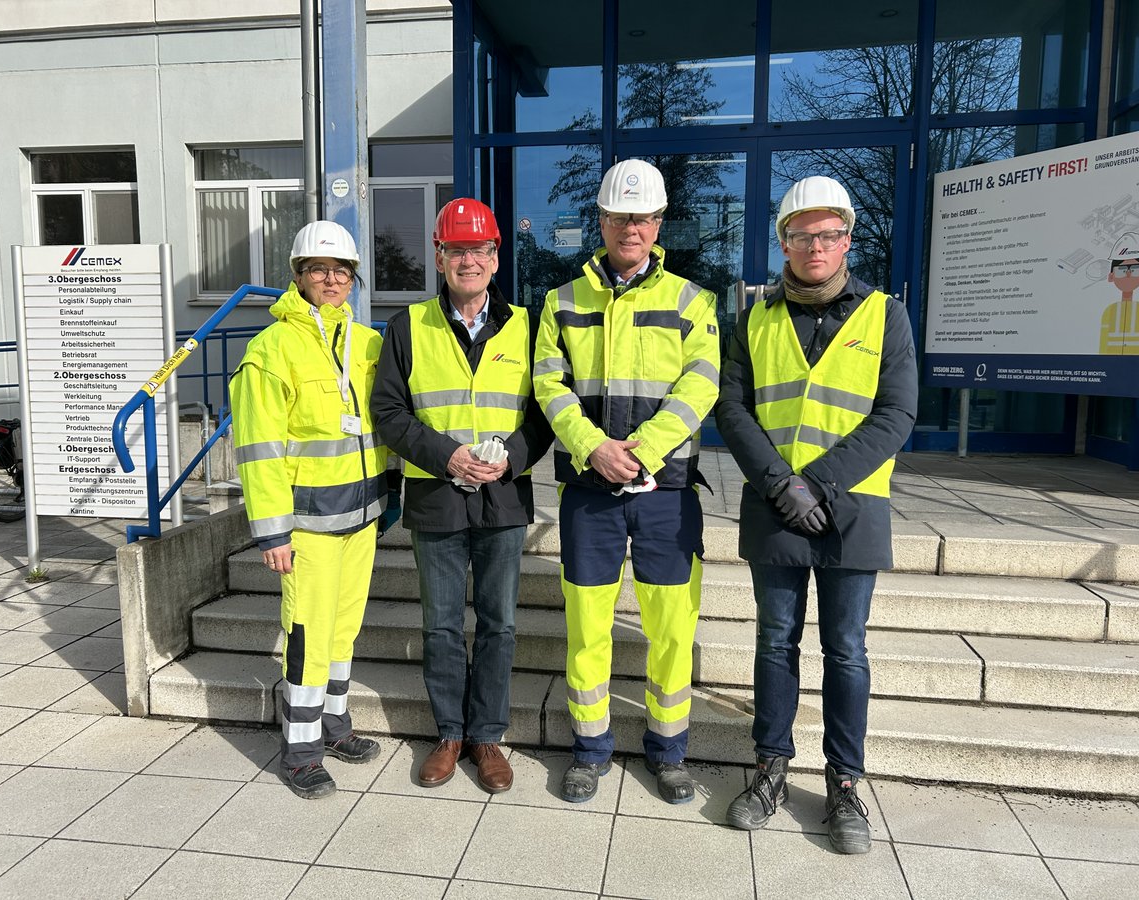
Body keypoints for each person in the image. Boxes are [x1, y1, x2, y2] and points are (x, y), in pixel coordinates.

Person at [715, 176, 917, 854]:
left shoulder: (885, 315)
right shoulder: (751, 318)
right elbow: (732, 408)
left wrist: (818, 484)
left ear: (847, 240)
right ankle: (770, 768)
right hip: (775, 505)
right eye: (802, 235)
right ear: (784, 241)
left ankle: (845, 786)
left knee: (846, 650)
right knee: (776, 643)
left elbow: (897, 414)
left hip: (852, 508)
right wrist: (781, 484)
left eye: (829, 234)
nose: (816, 246)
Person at [533, 159, 720, 805]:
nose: (630, 228)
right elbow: (548, 385)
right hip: (590, 492)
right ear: (602, 221)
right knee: (587, 627)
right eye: (619, 217)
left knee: (671, 628)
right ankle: (590, 751)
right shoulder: (559, 301)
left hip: (666, 493)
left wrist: (642, 450)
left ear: (658, 222)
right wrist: (593, 450)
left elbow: (702, 385)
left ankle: (668, 753)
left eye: (641, 217)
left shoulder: (693, 301)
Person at [369, 198, 551, 794]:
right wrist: (445, 455)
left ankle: (488, 737)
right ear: (439, 257)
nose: (468, 260)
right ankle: (449, 732)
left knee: (498, 624)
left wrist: (513, 458)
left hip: (503, 500)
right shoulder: (407, 326)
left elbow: (547, 413)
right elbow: (389, 413)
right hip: (436, 498)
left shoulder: (528, 325)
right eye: (456, 250)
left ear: (496, 258)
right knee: (442, 625)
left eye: (479, 249)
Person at [230, 220, 389, 799]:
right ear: (297, 276)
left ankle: (335, 726)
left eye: (340, 271)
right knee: (307, 633)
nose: (330, 279)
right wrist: (272, 533)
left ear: (352, 279)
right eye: (318, 269)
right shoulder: (269, 350)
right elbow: (258, 450)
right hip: (307, 526)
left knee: (344, 630)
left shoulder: (368, 343)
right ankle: (300, 751)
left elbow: (386, 425)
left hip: (362, 518)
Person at [1101, 232, 1139, 355]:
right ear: (1111, 276)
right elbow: (1103, 346)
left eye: (1134, 269)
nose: (1128, 275)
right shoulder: (1110, 311)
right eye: (1122, 270)